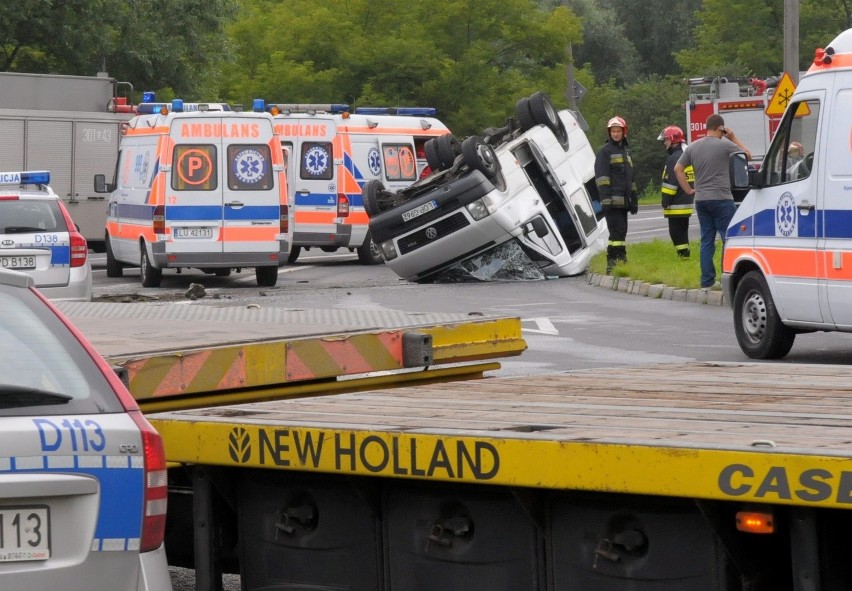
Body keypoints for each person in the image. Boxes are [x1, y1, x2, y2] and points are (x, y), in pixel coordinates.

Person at [674, 114, 751, 290]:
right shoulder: (725, 145)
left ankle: (707, 281)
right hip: (722, 199)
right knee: (729, 239)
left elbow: (678, 169)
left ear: (707, 127)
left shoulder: (693, 147)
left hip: (701, 200)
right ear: (721, 128)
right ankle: (729, 279)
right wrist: (733, 137)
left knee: (706, 240)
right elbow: (747, 155)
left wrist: (688, 190)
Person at [595, 116, 638, 273]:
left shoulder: (625, 153)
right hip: (612, 202)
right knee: (617, 231)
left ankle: (615, 261)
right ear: (609, 133)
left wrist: (634, 200)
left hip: (624, 202)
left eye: (618, 131)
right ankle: (616, 261)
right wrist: (605, 199)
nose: (615, 134)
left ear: (623, 132)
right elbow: (602, 178)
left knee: (621, 232)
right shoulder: (605, 152)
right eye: (613, 131)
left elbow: (630, 179)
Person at [658, 125, 694, 258]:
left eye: (666, 140)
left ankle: (683, 256)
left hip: (675, 204)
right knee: (683, 232)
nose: (664, 143)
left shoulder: (674, 158)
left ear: (673, 140)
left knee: (676, 233)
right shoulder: (685, 155)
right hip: (686, 203)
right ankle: (685, 256)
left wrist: (665, 201)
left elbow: (670, 184)